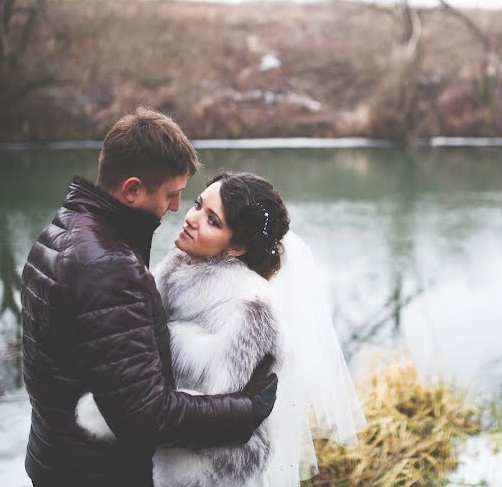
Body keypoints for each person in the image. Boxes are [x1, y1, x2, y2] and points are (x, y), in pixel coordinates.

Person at [21, 109, 278, 487]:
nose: (177, 208)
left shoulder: (62, 230)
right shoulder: (109, 267)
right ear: (132, 190)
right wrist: (246, 410)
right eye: (174, 196)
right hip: (97, 473)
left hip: (55, 457)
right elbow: (146, 416)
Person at [76, 170, 366, 486]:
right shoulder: (172, 271)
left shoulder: (253, 315)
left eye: (212, 220)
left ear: (237, 247)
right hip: (144, 461)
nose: (192, 218)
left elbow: (221, 424)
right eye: (198, 204)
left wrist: (121, 410)